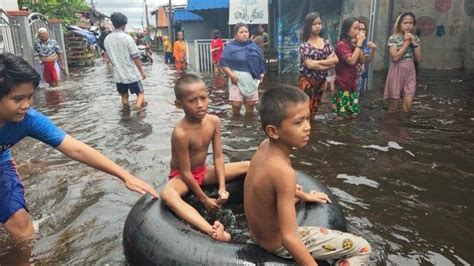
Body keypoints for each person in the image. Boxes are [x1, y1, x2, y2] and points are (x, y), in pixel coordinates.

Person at [0, 52, 158, 248]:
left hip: (1, 164)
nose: (26, 105)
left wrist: (124, 175)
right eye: (17, 99)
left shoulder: (29, 120)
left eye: (30, 97)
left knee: (22, 228)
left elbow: (76, 149)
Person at [244, 85, 372, 265]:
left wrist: (303, 195)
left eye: (307, 118)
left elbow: (266, 191)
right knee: (363, 248)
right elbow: (289, 238)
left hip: (258, 235)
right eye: (298, 122)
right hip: (276, 243)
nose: (308, 128)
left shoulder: (264, 147)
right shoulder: (283, 171)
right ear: (273, 131)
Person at [159, 74, 249, 241]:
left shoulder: (214, 121)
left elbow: (218, 156)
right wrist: (204, 199)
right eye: (192, 101)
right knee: (167, 195)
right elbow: (185, 172)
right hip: (182, 176)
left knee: (250, 164)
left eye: (203, 98)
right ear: (179, 104)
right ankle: (212, 231)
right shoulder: (181, 133)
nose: (200, 105)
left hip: (202, 171)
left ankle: (289, 193)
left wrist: (222, 188)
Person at [298, 12, 339, 118]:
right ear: (308, 26)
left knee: (315, 108)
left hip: (321, 80)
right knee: (306, 107)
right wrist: (327, 64)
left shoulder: (326, 43)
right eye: (314, 24)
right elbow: (309, 65)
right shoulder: (305, 45)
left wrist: (317, 62)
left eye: (319, 23)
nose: (318, 26)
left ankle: (311, 129)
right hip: (307, 80)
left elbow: (335, 60)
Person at [220, 23, 266, 115]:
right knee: (236, 105)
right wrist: (231, 75)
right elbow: (223, 63)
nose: (244, 34)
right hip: (236, 79)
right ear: (235, 35)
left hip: (251, 79)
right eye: (241, 32)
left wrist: (262, 73)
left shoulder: (254, 46)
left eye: (246, 32)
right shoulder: (230, 47)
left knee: (250, 106)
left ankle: (249, 128)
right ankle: (237, 127)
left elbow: (261, 60)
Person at [104, 12, 146, 109]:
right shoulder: (127, 38)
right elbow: (135, 57)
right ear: (124, 24)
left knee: (124, 95)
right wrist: (142, 71)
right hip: (130, 73)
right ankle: (138, 111)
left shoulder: (107, 39)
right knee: (140, 93)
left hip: (118, 74)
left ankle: (126, 114)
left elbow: (109, 57)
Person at [384, 12, 422, 114]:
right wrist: (406, 43)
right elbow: (395, 57)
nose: (408, 25)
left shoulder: (415, 38)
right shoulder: (394, 38)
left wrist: (414, 43)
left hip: (410, 70)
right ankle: (390, 127)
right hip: (397, 70)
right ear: (399, 24)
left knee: (408, 107)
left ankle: (404, 128)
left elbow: (418, 59)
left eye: (411, 23)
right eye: (405, 22)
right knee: (393, 108)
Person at [332, 17, 366, 119]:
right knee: (342, 115)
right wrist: (359, 45)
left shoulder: (354, 44)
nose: (358, 32)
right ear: (347, 30)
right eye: (355, 28)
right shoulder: (341, 45)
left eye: (359, 29)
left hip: (353, 84)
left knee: (353, 114)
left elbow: (363, 60)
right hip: (343, 84)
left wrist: (358, 46)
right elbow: (351, 61)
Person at [356, 19, 377, 97]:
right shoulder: (352, 42)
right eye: (359, 29)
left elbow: (368, 60)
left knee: (360, 96)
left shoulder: (366, 44)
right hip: (352, 76)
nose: (362, 31)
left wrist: (374, 49)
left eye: (364, 29)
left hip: (362, 75)